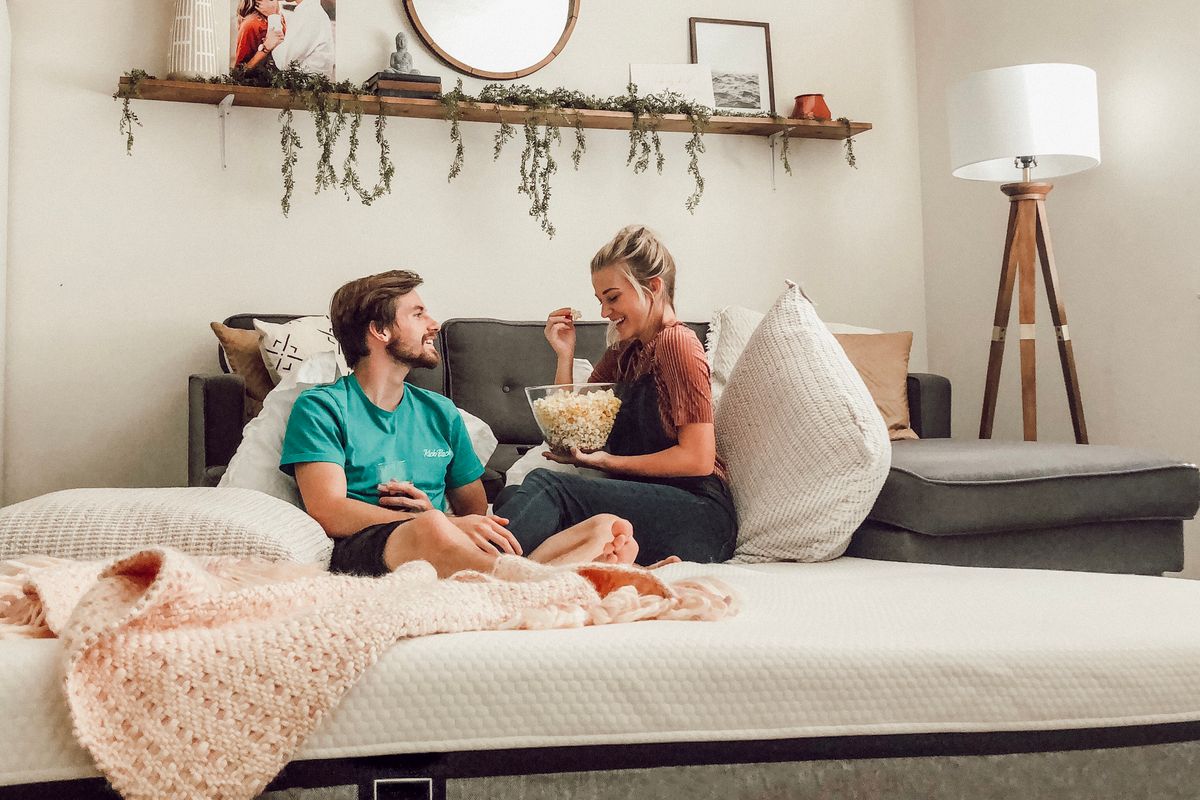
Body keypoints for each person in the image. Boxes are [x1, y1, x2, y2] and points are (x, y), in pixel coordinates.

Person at [280, 270, 639, 578]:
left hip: (451, 546)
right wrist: (432, 521)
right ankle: (540, 582)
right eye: (418, 314)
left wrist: (441, 518)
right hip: (370, 545)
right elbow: (328, 510)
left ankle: (527, 581)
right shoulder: (322, 407)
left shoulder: (440, 412)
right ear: (380, 331)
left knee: (607, 525)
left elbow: (474, 512)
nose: (433, 324)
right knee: (431, 526)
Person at [494, 225, 738, 566]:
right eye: (601, 301)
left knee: (547, 488)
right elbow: (569, 430)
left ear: (652, 287)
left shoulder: (677, 343)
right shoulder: (624, 352)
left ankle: (470, 567)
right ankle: (546, 567)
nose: (605, 312)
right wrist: (564, 354)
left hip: (696, 513)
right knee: (512, 498)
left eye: (612, 297)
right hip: (648, 503)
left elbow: (697, 459)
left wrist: (606, 462)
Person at [268, 0, 336, 79]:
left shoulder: (310, 14)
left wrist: (273, 15)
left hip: (304, 89)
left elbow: (282, 62)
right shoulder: (307, 11)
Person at [232, 0, 285, 71]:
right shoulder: (251, 24)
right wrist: (265, 48)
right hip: (261, 81)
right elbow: (239, 73)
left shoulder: (278, 17)